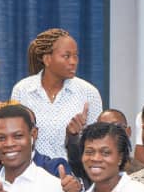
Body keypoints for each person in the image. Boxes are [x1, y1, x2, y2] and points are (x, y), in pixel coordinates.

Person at [10, 28, 102, 161]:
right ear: (47, 59)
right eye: (66, 56)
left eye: (75, 56)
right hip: (31, 170)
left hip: (72, 171)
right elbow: (14, 136)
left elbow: (97, 144)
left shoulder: (89, 93)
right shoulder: (22, 90)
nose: (73, 62)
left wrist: (73, 138)